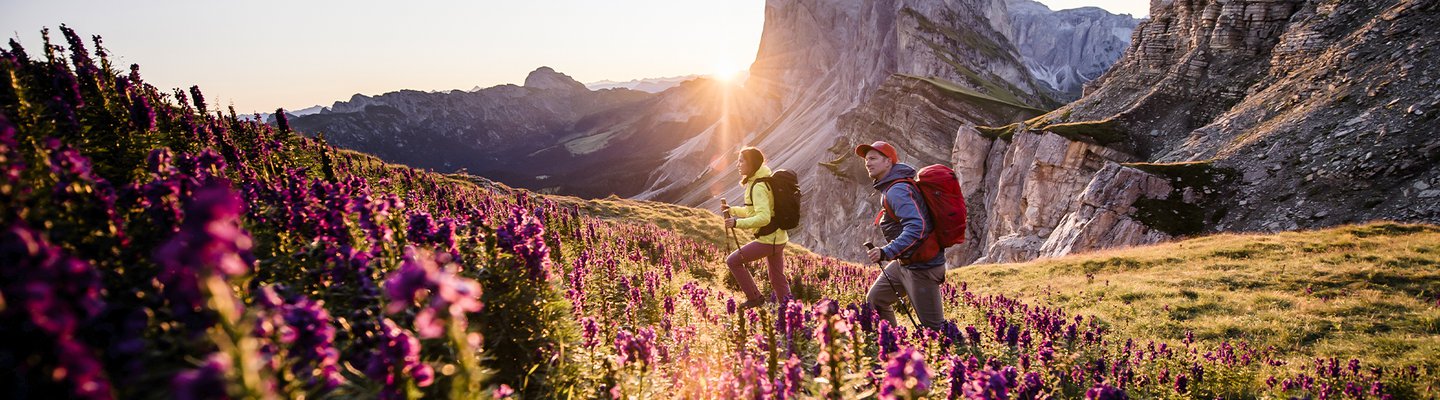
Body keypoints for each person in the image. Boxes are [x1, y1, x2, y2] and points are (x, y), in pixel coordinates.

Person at [856, 140, 948, 329]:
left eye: (873, 158)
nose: (868, 163)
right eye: (866, 161)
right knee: (876, 299)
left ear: (888, 161)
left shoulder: (897, 190)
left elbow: (917, 227)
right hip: (905, 262)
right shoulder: (891, 187)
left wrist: (886, 252)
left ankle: (967, 355)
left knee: (935, 328)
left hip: (922, 267)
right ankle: (891, 346)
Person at [722, 147, 791, 309]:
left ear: (751, 163)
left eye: (741, 160)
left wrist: (737, 223)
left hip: (769, 239)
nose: (738, 164)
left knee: (733, 261)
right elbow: (753, 211)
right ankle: (789, 311)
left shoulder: (758, 186)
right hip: (778, 237)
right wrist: (733, 211)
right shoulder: (759, 181)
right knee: (777, 278)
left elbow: (764, 217)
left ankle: (755, 298)